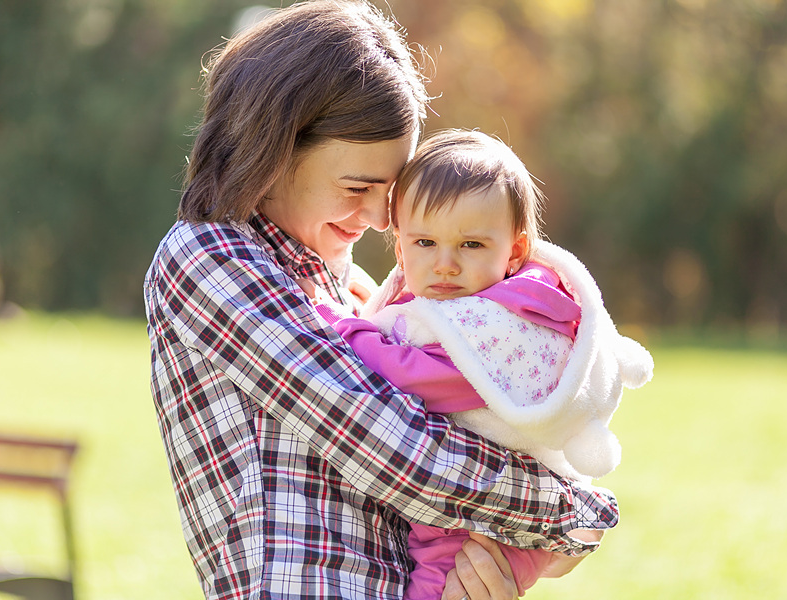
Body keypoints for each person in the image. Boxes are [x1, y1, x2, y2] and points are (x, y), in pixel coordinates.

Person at [143, 2, 620, 599]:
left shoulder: (348, 288)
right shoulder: (210, 259)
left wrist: (491, 568)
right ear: (277, 147)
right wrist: (573, 514)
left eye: (389, 194)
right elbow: (397, 451)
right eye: (357, 188)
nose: (376, 219)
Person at [301, 129, 654, 599]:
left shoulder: (501, 323)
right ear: (400, 245)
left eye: (470, 246)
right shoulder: (459, 304)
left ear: (513, 251)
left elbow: (416, 376)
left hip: (483, 534)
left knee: (436, 588)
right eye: (425, 242)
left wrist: (338, 326)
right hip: (479, 512)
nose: (445, 264)